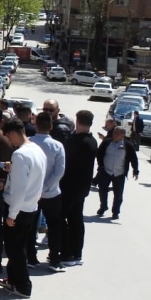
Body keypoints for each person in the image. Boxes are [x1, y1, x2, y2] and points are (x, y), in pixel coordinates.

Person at [0, 119, 46, 298]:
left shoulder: (19, 155)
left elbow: (19, 188)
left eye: (8, 137)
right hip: (31, 206)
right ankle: (12, 279)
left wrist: (12, 214)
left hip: (18, 207)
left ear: (12, 133)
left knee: (14, 249)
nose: (9, 141)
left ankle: (23, 285)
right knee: (19, 246)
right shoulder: (37, 150)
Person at [29, 112, 67, 272]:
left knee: (31, 226)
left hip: (32, 192)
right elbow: (59, 171)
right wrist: (46, 187)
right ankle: (54, 259)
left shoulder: (29, 143)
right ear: (51, 127)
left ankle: (31, 258)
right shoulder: (57, 146)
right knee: (54, 226)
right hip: (52, 193)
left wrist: (37, 187)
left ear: (35, 125)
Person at [59, 110, 98, 267]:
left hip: (69, 187)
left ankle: (67, 253)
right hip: (82, 188)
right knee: (76, 220)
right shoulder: (92, 141)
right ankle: (76, 253)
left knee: (60, 218)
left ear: (78, 121)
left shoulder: (76, 141)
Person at [96, 126, 139, 220]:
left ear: (123, 135)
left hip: (119, 173)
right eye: (114, 132)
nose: (115, 134)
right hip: (106, 171)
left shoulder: (128, 145)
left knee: (118, 195)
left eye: (117, 133)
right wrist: (101, 165)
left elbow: (133, 158)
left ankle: (115, 212)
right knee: (102, 190)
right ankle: (103, 206)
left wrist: (135, 171)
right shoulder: (107, 142)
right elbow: (99, 153)